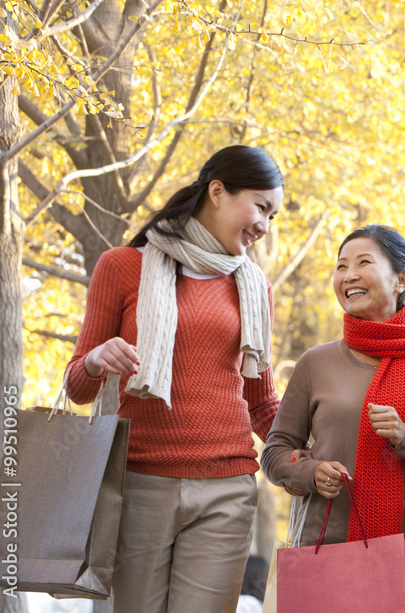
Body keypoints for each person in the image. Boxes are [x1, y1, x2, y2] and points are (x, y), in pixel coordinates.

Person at [64, 145, 284, 612]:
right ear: (218, 192)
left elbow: (262, 404)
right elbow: (77, 390)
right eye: (261, 206)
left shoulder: (254, 286)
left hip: (227, 484)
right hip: (139, 483)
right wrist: (97, 359)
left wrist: (315, 445)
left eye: (273, 214)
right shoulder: (122, 267)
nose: (265, 225)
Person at [261, 224, 405, 611]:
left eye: (363, 263)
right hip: (321, 553)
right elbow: (275, 452)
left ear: (401, 279)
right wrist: (310, 472)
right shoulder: (316, 363)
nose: (349, 276)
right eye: (341, 266)